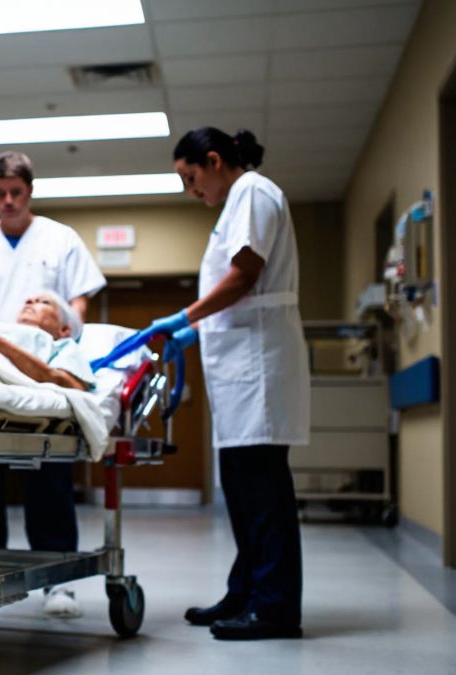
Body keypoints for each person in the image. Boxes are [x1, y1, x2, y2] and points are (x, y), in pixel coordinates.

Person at [0, 151, 106, 618]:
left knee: (49, 476)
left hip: (41, 370)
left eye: (16, 193)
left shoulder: (60, 239)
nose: (8, 201)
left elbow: (79, 305)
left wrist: (61, 339)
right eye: (0, 194)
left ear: (30, 191)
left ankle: (57, 580)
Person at [154, 127, 310, 640]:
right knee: (242, 493)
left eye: (190, 176)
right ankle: (244, 592)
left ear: (214, 160)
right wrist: (193, 331)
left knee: (263, 494)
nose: (189, 189)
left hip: (260, 368)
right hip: (239, 369)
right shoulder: (235, 205)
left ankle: (276, 609)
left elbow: (244, 275)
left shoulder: (253, 192)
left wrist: (185, 317)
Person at [0, 291, 94, 391]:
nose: (30, 303)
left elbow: (73, 387)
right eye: (28, 300)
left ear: (64, 329)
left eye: (43, 302)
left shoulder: (64, 346)